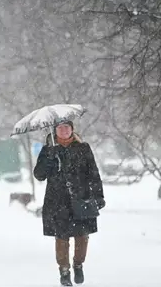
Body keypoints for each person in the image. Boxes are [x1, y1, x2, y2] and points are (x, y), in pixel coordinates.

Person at [33, 121, 105, 286]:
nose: (64, 131)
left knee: (82, 237)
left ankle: (78, 265)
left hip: (81, 198)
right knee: (61, 238)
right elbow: (39, 175)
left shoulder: (83, 148)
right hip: (57, 201)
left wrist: (98, 196)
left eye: (67, 127)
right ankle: (64, 271)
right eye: (60, 128)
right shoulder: (48, 150)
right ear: (55, 131)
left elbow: (93, 172)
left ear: (72, 130)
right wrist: (49, 159)